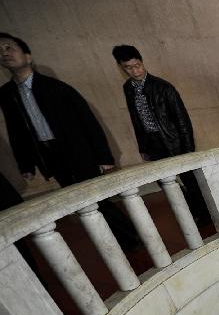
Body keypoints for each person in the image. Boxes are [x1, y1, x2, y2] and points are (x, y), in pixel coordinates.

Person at [0, 33, 138, 246]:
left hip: (78, 152)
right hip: (50, 156)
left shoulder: (56, 87)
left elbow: (88, 121)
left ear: (28, 56)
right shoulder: (7, 94)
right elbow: (16, 131)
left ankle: (131, 239)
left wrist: (104, 156)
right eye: (0, 50)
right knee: (78, 203)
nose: (5, 52)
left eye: (10, 47)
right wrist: (26, 163)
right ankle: (108, 242)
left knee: (98, 199)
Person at [112, 44, 212, 226]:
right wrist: (143, 146)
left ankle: (205, 214)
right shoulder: (128, 88)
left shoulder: (163, 87)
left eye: (137, 65)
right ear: (121, 67)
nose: (135, 71)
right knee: (166, 182)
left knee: (190, 180)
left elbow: (183, 120)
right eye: (128, 67)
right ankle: (189, 212)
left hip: (174, 142)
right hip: (153, 143)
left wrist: (189, 150)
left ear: (142, 62)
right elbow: (136, 120)